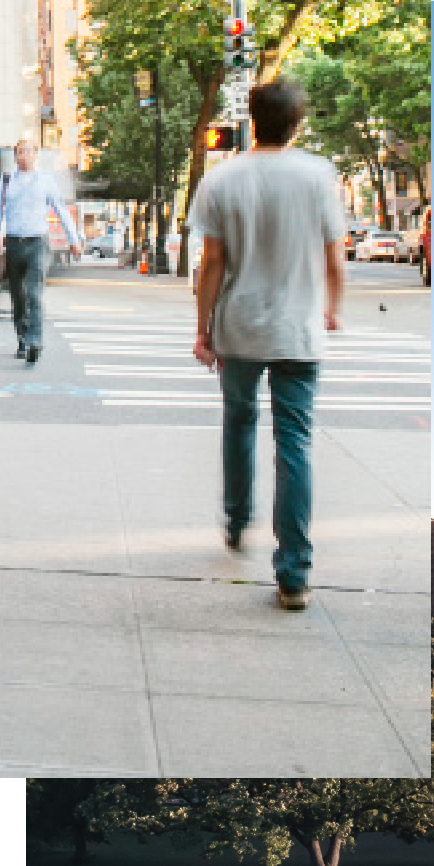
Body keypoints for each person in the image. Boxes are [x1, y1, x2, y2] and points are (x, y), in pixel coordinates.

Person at [189, 76, 345, 611]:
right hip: (298, 330)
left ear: (252, 119)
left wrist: (202, 328)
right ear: (296, 122)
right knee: (294, 446)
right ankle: (294, 574)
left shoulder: (222, 179)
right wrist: (332, 309)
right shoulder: (319, 176)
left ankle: (236, 519)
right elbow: (333, 256)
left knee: (238, 422)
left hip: (239, 326)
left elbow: (211, 262)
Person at [0, 139, 79, 364]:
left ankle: (35, 341)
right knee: (18, 296)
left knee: (35, 293)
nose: (22, 156)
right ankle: (22, 337)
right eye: (19, 152)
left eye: (26, 152)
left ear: (35, 155)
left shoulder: (46, 181)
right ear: (15, 156)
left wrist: (74, 239)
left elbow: (62, 211)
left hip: (38, 244)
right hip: (14, 244)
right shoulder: (7, 181)